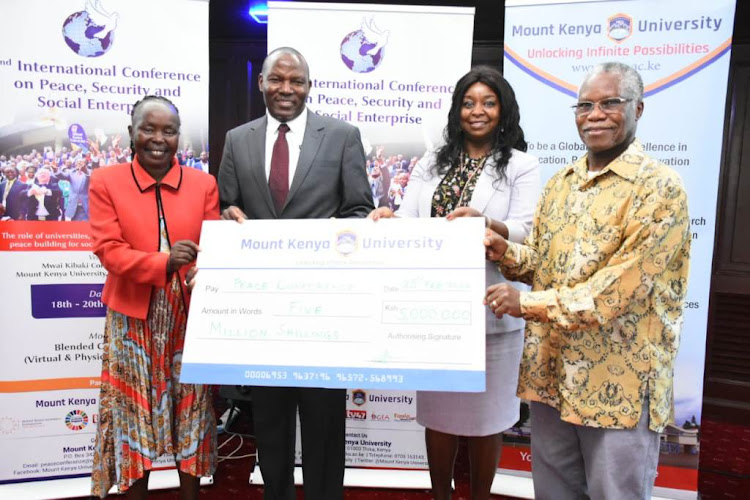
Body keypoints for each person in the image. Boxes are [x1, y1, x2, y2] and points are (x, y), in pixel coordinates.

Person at [484, 62, 691, 499]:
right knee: (554, 493)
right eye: (584, 105)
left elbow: (614, 293)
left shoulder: (659, 189)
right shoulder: (562, 182)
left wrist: (525, 304)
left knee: (615, 493)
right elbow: (544, 261)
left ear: (638, 108)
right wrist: (506, 252)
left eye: (609, 103)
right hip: (551, 376)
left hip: (616, 386)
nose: (595, 114)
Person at [369, 66, 540, 500]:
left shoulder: (521, 164)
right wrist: (389, 218)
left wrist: (486, 222)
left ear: (503, 110)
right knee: (439, 415)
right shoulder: (433, 161)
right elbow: (410, 217)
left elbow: (528, 229)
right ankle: (440, 496)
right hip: (435, 310)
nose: (477, 111)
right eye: (468, 102)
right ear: (457, 109)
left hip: (492, 308)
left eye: (488, 102)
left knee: (488, 418)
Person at [216, 46, 373, 500]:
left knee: (325, 422)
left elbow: (360, 209)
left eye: (296, 81)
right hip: (264, 310)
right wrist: (230, 216)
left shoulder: (342, 135)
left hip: (324, 309)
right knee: (270, 422)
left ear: (308, 85)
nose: (287, 89)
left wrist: (330, 237)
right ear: (261, 83)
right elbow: (226, 206)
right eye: (277, 80)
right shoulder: (238, 139)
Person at [88, 95, 218, 499]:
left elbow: (213, 248)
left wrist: (205, 269)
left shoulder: (203, 184)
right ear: (132, 133)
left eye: (169, 131)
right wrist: (163, 262)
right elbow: (108, 249)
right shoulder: (105, 181)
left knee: (192, 414)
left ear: (180, 137)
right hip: (132, 320)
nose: (158, 138)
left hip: (188, 318)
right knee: (133, 418)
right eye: (149, 128)